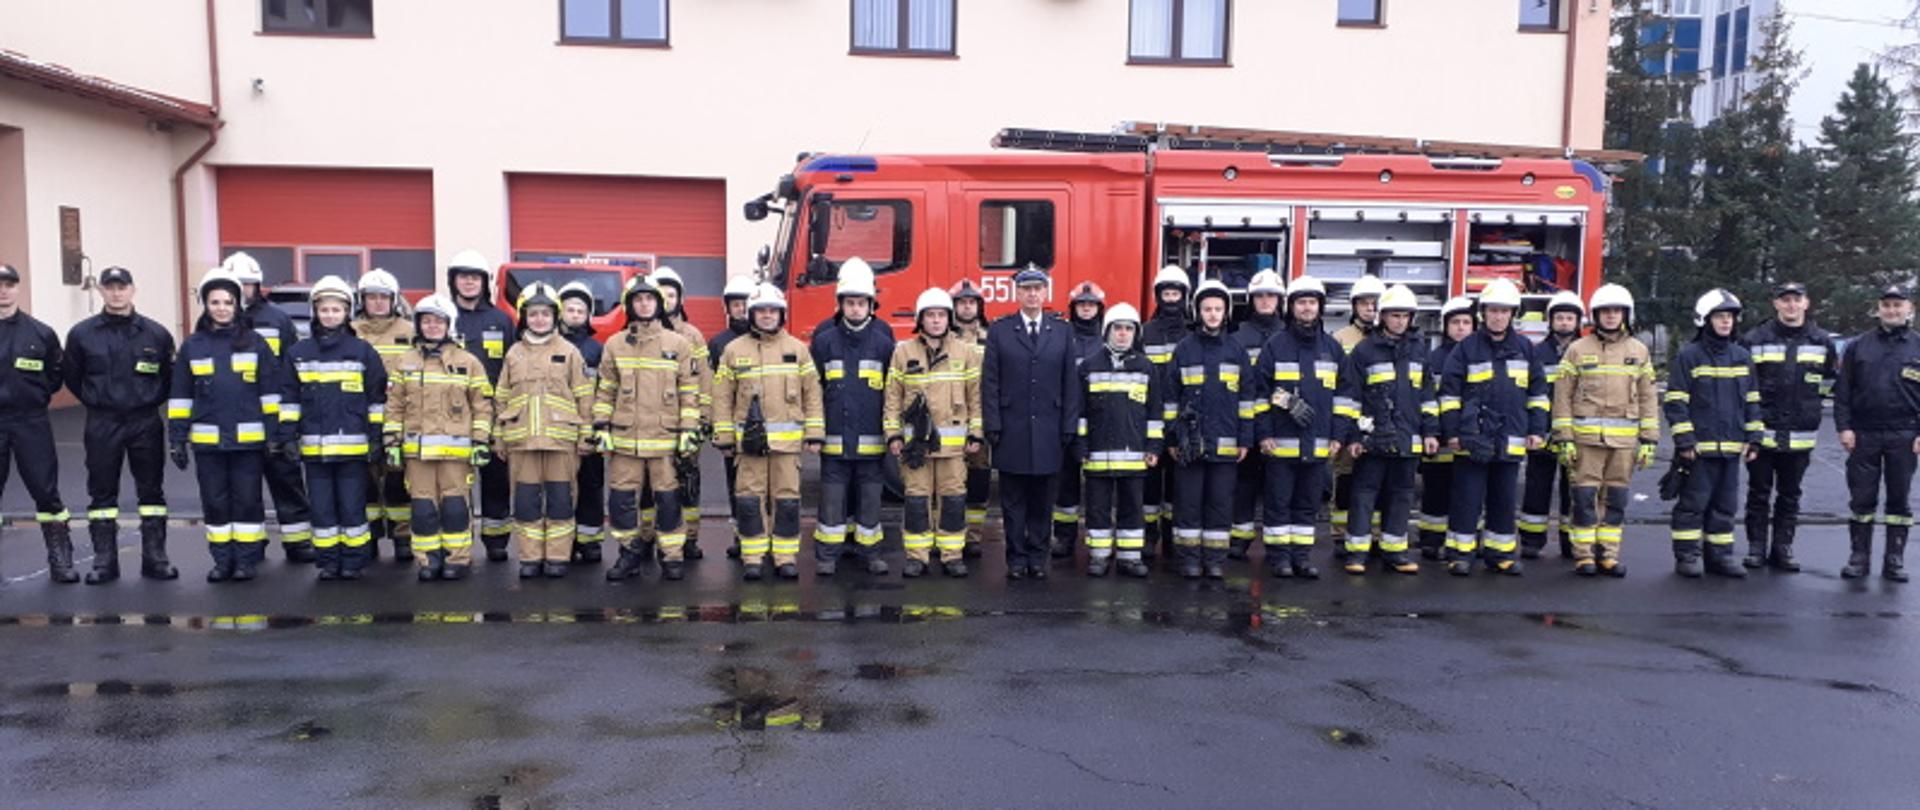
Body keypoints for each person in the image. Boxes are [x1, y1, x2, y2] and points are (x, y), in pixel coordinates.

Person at [170, 267, 287, 582]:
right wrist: (177, 439)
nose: (221, 308)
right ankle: (222, 561)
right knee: (215, 503)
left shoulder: (256, 344)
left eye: (227, 302)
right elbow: (181, 397)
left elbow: (270, 393)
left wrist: (276, 435)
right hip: (208, 444)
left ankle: (246, 561)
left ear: (237, 305)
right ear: (205, 305)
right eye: (215, 302)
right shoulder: (193, 346)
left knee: (248, 502)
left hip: (249, 442)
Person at [65, 266, 176, 583]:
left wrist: (149, 399)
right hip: (103, 421)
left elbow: (167, 378)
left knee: (151, 491)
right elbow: (73, 377)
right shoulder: (82, 334)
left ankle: (155, 558)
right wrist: (95, 399)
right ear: (100, 291)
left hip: (145, 421)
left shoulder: (156, 334)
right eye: (110, 287)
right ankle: (104, 561)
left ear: (133, 290)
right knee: (101, 493)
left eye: (122, 287)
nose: (116, 293)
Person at [713, 283, 824, 580]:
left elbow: (812, 393)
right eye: (760, 310)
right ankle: (753, 556)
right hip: (748, 446)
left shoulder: (798, 350)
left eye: (771, 310)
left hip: (787, 448)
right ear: (751, 314)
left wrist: (814, 432)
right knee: (749, 500)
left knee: (787, 501)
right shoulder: (733, 351)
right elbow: (722, 397)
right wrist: (723, 437)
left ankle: (785, 557)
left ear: (781, 314)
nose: (766, 315)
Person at [282, 276, 389, 581]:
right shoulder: (299, 353)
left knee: (352, 508)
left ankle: (354, 561)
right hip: (314, 452)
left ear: (347, 312)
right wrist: (287, 437)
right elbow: (289, 399)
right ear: (315, 312)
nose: (330, 315)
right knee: (322, 510)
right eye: (324, 310)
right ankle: (329, 562)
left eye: (336, 310)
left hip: (353, 451)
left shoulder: (362, 351)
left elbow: (376, 399)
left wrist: (376, 437)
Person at [597, 275, 702, 582]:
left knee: (668, 501)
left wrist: (688, 430)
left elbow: (689, 393)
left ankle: (671, 557)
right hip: (625, 439)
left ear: (658, 303)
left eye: (650, 299)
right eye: (638, 299)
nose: (644, 304)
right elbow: (605, 390)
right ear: (630, 305)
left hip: (665, 438)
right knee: (622, 501)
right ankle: (629, 553)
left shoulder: (678, 344)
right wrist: (601, 426)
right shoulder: (615, 344)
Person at [1439, 278, 1546, 576]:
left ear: (1513, 314)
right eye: (1493, 310)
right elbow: (1449, 395)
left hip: (1509, 439)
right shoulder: (1465, 349)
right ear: (1482, 313)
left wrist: (1537, 430)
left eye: (1504, 311)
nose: (1498, 316)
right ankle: (1461, 554)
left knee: (1503, 499)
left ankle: (1500, 554)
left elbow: (1537, 394)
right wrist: (1453, 433)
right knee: (1467, 499)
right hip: (1472, 440)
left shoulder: (1525, 349)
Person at [383, 294, 494, 582]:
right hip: (416, 453)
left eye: (438, 321)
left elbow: (482, 405)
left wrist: (481, 440)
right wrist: (392, 441)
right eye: (427, 321)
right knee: (422, 508)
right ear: (419, 325)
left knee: (455, 507)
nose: (432, 327)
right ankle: (428, 560)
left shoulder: (468, 362)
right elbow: (394, 405)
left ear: (449, 325)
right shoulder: (404, 362)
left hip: (456, 455)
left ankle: (457, 558)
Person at [1549, 283, 1657, 577]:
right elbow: (1562, 397)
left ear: (1625, 314)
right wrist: (1564, 439)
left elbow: (1648, 396)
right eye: (1605, 311)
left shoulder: (1638, 351)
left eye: (1616, 310)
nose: (1610, 316)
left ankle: (1608, 555)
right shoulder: (1577, 350)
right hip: (1585, 442)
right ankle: (1583, 555)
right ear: (1595, 315)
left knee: (1616, 501)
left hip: (1623, 445)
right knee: (1584, 499)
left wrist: (1649, 439)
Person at [983, 265, 1082, 580]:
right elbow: (990, 383)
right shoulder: (1000, 331)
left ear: (1046, 292)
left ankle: (1038, 558)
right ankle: (1015, 559)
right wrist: (992, 424)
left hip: (1050, 430)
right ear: (1018, 293)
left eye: (1038, 289)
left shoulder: (1062, 331)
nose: (1032, 294)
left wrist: (1069, 425)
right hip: (1011, 429)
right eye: (1027, 289)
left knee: (1042, 500)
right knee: (1012, 502)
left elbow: (1070, 383)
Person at [494, 282, 594, 579]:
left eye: (545, 314)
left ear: (555, 317)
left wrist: (586, 435)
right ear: (524, 317)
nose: (540, 319)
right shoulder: (514, 353)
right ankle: (530, 558)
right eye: (534, 314)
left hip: (561, 442)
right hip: (521, 442)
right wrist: (498, 436)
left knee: (561, 501)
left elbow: (584, 395)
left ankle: (557, 557)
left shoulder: (570, 352)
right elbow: (501, 396)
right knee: (525, 502)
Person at [220, 251, 313, 562]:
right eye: (235, 285)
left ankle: (298, 542)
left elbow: (292, 366)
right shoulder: (212, 322)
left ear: (257, 285)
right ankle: (252, 545)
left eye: (247, 284)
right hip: (235, 416)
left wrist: (291, 420)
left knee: (286, 479)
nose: (242, 290)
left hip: (274, 417)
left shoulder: (277, 319)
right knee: (243, 487)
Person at [1336, 284, 1434, 575]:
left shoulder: (1419, 350)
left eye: (1405, 316)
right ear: (1383, 317)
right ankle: (1357, 553)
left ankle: (1395, 553)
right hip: (1373, 439)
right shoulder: (1365, 351)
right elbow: (1352, 396)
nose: (1400, 321)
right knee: (1364, 495)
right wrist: (1354, 436)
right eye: (1394, 315)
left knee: (1402, 496)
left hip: (1407, 438)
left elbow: (1427, 396)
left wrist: (1430, 432)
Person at [886, 287, 984, 578]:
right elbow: (892, 398)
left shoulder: (965, 353)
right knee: (917, 499)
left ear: (949, 318)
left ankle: (952, 555)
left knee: (953, 499)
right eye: (931, 315)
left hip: (954, 447)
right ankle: (917, 556)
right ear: (920, 319)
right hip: (916, 446)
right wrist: (893, 435)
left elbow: (975, 397)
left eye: (942, 315)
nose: (937, 320)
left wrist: (976, 433)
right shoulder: (903, 352)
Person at [1664, 289, 1762, 579]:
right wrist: (1685, 441)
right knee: (1693, 504)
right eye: (1720, 316)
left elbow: (1753, 401)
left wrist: (1755, 438)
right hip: (1699, 450)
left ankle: (1720, 556)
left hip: (1731, 449)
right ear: (1704, 320)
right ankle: (1687, 556)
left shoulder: (1742, 357)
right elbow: (1675, 402)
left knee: (1725, 505)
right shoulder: (1689, 356)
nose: (1726, 322)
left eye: (1730, 317)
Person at [1740, 281, 1836, 572]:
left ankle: (1783, 548)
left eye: (1797, 300)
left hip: (1801, 434)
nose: (1791, 305)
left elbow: (1829, 382)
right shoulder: (1754, 339)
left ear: (1807, 303)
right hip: (1763, 433)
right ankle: (1756, 549)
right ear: (1776, 304)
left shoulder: (1821, 341)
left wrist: (1809, 407)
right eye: (1786, 300)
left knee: (1791, 495)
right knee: (1758, 492)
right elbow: (1744, 386)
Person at [809, 259, 896, 576]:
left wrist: (892, 433)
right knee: (832, 501)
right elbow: (812, 390)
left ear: (871, 305)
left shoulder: (885, 343)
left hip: (872, 442)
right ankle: (828, 555)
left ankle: (870, 553)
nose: (856, 308)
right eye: (850, 302)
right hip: (833, 440)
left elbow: (894, 393)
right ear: (841, 304)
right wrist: (814, 432)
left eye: (861, 303)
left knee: (871, 500)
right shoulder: (823, 342)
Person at [1254, 276, 1342, 579]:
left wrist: (1338, 436)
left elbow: (1344, 398)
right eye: (1301, 302)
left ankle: (1301, 557)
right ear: (1291, 307)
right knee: (1278, 503)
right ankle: (1279, 558)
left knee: (1308, 504)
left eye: (1312, 302)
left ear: (1320, 307)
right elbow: (1259, 392)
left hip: (1318, 444)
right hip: (1280, 443)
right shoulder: (1275, 346)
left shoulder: (1332, 348)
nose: (1307, 308)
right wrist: (1264, 432)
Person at [1168, 279, 1255, 579]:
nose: (1213, 314)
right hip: (1190, 445)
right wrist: (1173, 438)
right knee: (1188, 504)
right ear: (1198, 311)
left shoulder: (1237, 350)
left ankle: (1215, 559)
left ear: (1227, 311)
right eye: (1207, 308)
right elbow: (1171, 398)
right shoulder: (1184, 349)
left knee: (1220, 503)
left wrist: (1245, 439)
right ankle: (1189, 559)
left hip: (1226, 444)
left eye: (1218, 309)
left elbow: (1247, 400)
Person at [1834, 285, 1920, 582]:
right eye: (1887, 305)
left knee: (1899, 500)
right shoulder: (1858, 346)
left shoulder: (1918, 346)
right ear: (1878, 308)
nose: (1892, 310)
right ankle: (1859, 557)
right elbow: (1843, 392)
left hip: (1905, 434)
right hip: (1864, 434)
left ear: (1910, 308)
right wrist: (1844, 427)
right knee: (1861, 498)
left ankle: (1894, 559)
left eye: (1898, 305)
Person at [1076, 303, 1162, 578]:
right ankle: (1099, 556)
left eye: (1128, 329)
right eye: (1118, 328)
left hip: (1135, 455)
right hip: (1098, 455)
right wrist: (1081, 446)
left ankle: (1130, 557)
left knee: (1132, 507)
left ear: (1135, 333)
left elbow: (1155, 413)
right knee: (1097, 507)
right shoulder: (1089, 367)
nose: (1123, 334)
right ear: (1107, 331)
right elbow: (1080, 413)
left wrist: (1153, 447)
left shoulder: (1147, 368)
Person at [0, 263, 74, 583]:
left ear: (18, 288)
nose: (3, 290)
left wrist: (33, 395)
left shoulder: (40, 333)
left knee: (46, 492)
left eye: (9, 284)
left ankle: (60, 557)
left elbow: (55, 376)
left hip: (30, 421)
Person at [445, 249, 517, 561]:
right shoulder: (444, 318)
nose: (470, 282)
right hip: (451, 413)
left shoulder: (501, 320)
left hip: (493, 411)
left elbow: (514, 366)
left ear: (485, 282)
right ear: (454, 281)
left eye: (475, 277)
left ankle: (496, 538)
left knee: (496, 478)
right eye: (464, 277)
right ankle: (458, 541)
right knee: (454, 480)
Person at [648, 266, 713, 561]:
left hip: (686, 422)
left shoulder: (692, 336)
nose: (666, 299)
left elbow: (705, 381)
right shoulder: (641, 334)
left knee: (687, 483)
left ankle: (689, 538)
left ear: (680, 299)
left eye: (671, 294)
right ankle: (648, 536)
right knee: (651, 486)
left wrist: (704, 418)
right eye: (661, 294)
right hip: (652, 425)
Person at [351, 269, 415, 563]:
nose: (377, 303)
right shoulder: (351, 331)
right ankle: (371, 536)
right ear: (362, 300)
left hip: (398, 418)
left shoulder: (410, 331)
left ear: (394, 299)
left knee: (398, 479)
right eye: (371, 297)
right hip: (359, 419)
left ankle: (403, 536)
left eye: (383, 297)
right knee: (365, 482)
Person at [1228, 270, 1286, 560]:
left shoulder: (1290, 334)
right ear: (1252, 300)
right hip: (1247, 420)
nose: (1265, 301)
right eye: (1260, 296)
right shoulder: (1237, 337)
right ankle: (1240, 537)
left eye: (1271, 295)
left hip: (1283, 423)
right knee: (1244, 483)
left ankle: (1277, 543)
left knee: (1278, 486)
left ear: (1280, 300)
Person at [1521, 290, 1582, 558]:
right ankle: (1532, 542)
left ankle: (1570, 542)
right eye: (1560, 318)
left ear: (1578, 321)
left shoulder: (1587, 352)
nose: (1565, 323)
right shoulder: (1537, 353)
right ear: (1551, 321)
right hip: (1544, 434)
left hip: (1577, 435)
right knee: (1536, 488)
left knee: (1574, 491)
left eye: (1570, 318)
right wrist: (1535, 429)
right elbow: (1530, 393)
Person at [1139, 265, 1192, 559]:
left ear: (1184, 297)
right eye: (1166, 293)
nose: (1171, 299)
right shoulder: (1145, 332)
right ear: (1158, 297)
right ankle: (1149, 535)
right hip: (1150, 418)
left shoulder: (1192, 333)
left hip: (1183, 421)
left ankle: (1172, 538)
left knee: (1176, 484)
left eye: (1176, 293)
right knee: (1149, 481)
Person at [1331, 273, 1386, 553]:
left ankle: (1372, 534)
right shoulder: (1340, 339)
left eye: (1375, 303)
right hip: (1348, 416)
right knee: (1346, 477)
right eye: (1364, 303)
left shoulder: (1388, 340)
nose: (1369, 308)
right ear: (1354, 306)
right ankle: (1341, 533)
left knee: (1375, 480)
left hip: (1378, 419)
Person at [1418, 296, 1476, 559]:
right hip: (1439, 438)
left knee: (1468, 493)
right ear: (1445, 326)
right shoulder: (1433, 359)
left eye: (1466, 322)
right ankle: (1431, 539)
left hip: (1471, 437)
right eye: (1455, 322)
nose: (1461, 328)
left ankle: (1464, 540)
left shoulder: (1480, 355)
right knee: (1435, 490)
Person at [1052, 280, 1106, 558]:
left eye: (1091, 305)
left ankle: (1098, 539)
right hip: (1067, 421)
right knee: (1066, 482)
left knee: (1098, 484)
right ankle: (1064, 537)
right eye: (1081, 305)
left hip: (1099, 423)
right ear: (1073, 308)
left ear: (1099, 308)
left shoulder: (1106, 339)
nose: (1086, 309)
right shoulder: (1062, 337)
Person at [557, 281, 607, 564]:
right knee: (561, 488)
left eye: (581, 310)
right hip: (558, 430)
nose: (575, 314)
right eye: (570, 309)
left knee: (590, 485)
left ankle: (589, 542)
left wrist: (598, 426)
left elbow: (605, 389)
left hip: (589, 428)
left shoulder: (597, 349)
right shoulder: (550, 346)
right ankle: (563, 542)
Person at [709, 275, 756, 558]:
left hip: (764, 431)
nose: (740, 309)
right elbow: (718, 392)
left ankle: (762, 535)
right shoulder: (718, 344)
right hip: (733, 430)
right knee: (735, 484)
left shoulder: (766, 338)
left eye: (744, 304)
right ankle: (741, 536)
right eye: (735, 305)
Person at [950, 279, 992, 558]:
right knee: (949, 480)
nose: (967, 306)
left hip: (982, 420)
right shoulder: (944, 337)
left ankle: (973, 535)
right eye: (962, 302)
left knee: (978, 479)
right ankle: (949, 532)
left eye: (972, 301)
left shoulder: (993, 337)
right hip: (951, 419)